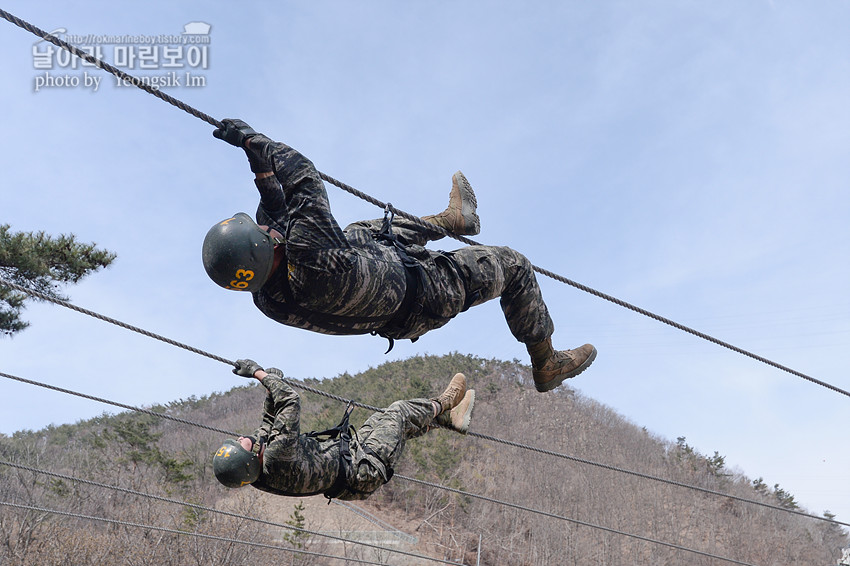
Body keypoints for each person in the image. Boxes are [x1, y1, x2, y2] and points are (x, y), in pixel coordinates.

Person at [203, 119, 596, 393]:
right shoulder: (310, 255)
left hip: (389, 292)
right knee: (514, 265)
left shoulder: (266, 293)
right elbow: (304, 178)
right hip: (429, 292)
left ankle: (454, 220)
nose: (269, 229)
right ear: (266, 247)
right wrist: (257, 142)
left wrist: (260, 169)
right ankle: (547, 361)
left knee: (357, 235)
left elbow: (276, 215)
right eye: (263, 234)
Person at [212, 359, 475, 499]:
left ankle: (447, 420)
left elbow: (268, 424)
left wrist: (271, 385)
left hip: (354, 462)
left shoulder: (260, 469)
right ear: (248, 460)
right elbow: (290, 401)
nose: (239, 438)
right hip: (362, 467)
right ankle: (443, 403)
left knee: (386, 420)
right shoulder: (276, 457)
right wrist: (259, 373)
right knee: (399, 411)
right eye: (240, 445)